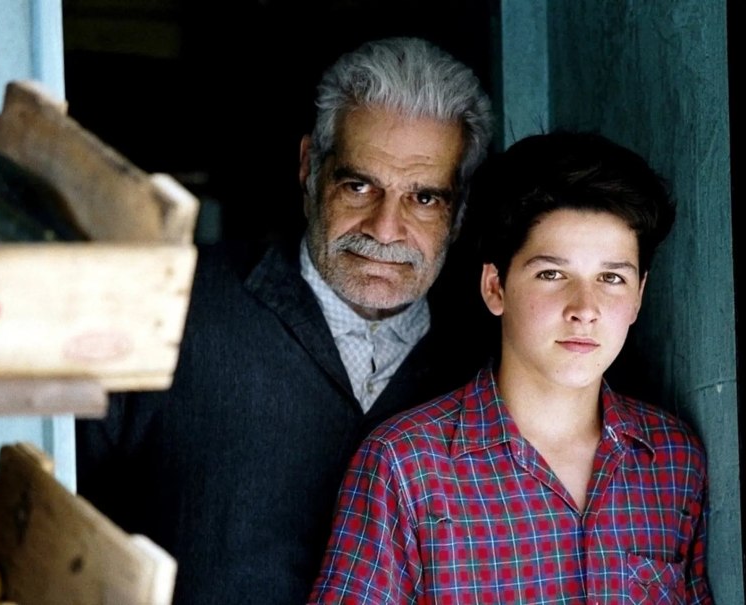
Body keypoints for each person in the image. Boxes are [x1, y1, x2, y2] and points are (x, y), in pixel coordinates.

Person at [74, 36, 494, 605]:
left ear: (460, 209)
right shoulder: (173, 305)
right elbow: (55, 519)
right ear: (308, 167)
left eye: (424, 199)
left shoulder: (487, 363)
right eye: (359, 185)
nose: (385, 229)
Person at [310, 131, 714, 604]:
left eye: (611, 278)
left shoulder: (673, 461)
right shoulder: (404, 466)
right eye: (552, 274)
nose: (585, 308)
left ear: (639, 295)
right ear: (495, 287)